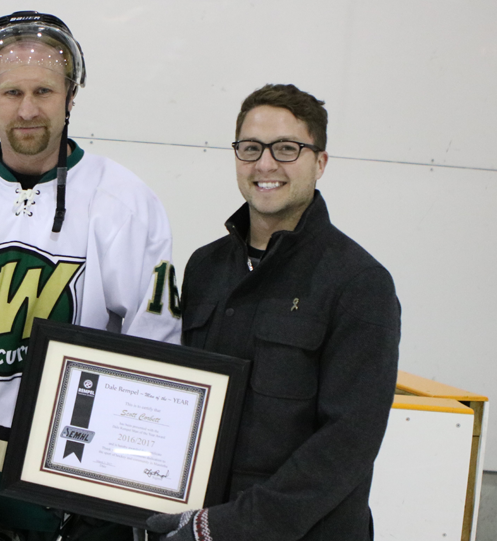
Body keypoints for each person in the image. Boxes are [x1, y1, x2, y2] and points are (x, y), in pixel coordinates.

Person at [0, 11, 181, 540]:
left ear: (70, 97)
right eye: (11, 93)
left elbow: (156, 343)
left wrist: (119, 467)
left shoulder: (126, 202)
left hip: (73, 477)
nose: (28, 109)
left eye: (44, 91)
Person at [148, 84, 400, 540]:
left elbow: (348, 442)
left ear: (320, 162)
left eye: (286, 148)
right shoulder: (205, 266)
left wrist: (230, 526)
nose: (265, 164)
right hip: (206, 522)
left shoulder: (359, 283)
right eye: (251, 148)